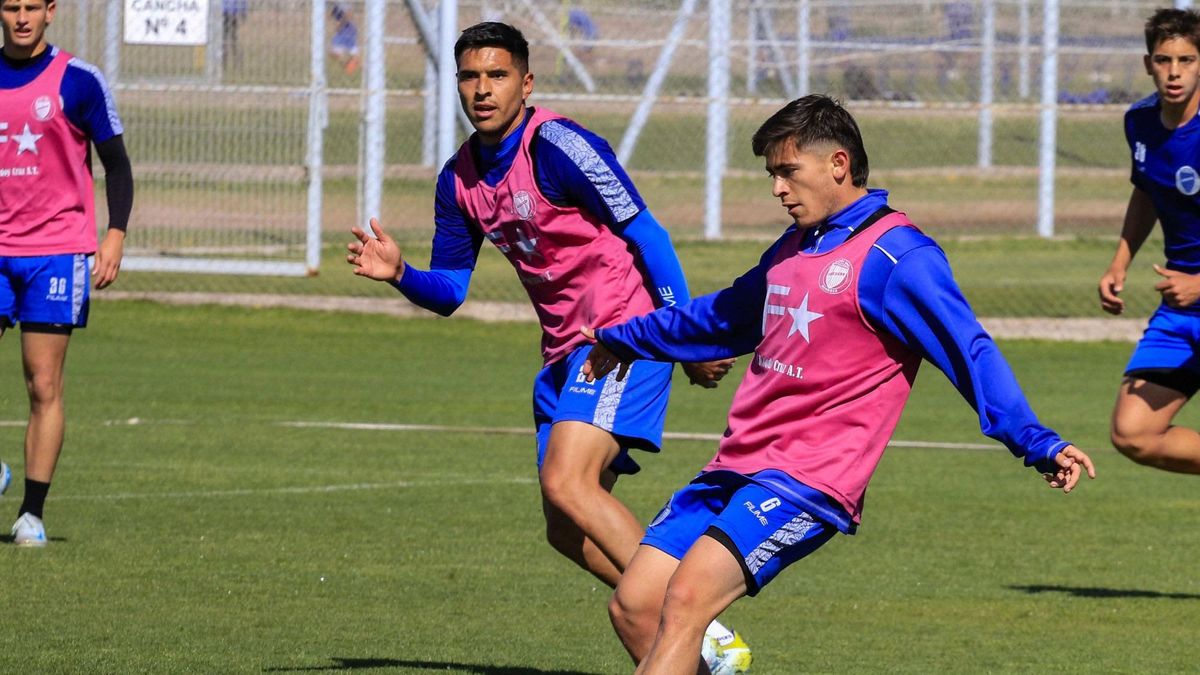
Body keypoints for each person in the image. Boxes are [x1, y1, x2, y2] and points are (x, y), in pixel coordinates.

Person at [580, 94, 1096, 673]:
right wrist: (625, 337)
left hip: (810, 476)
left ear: (838, 164)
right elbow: (724, 316)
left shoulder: (896, 256)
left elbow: (970, 351)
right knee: (635, 604)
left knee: (686, 600)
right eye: (771, 174)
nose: (777, 188)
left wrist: (1035, 440)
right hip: (738, 463)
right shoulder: (796, 245)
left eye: (787, 171)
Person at [345, 21, 749, 670]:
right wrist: (398, 275)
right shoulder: (458, 180)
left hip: (622, 336)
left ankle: (700, 621)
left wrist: (685, 334)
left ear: (525, 83)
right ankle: (692, 659)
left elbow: (649, 236)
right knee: (564, 529)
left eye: (497, 75)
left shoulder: (560, 147)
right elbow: (450, 289)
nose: (483, 89)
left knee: (568, 481)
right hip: (562, 359)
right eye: (471, 77)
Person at [0, 0, 133, 546]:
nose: (22, 17)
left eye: (33, 7)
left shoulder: (78, 81)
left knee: (44, 382)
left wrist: (115, 235)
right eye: (12, 7)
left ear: (52, 11)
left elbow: (117, 164)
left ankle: (31, 513)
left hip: (56, 250)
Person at [1099, 8, 1200, 476]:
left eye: (1187, 60)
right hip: (1182, 310)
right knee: (1133, 432)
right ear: (1147, 64)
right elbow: (1145, 190)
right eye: (1164, 60)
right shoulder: (1139, 122)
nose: (1174, 72)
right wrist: (1120, 262)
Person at [330, 2, 359, 76]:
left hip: (346, 30)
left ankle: (350, 66)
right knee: (335, 53)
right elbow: (333, 15)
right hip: (345, 31)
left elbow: (348, 15)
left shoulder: (343, 4)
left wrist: (340, 25)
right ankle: (349, 65)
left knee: (335, 52)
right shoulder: (338, 5)